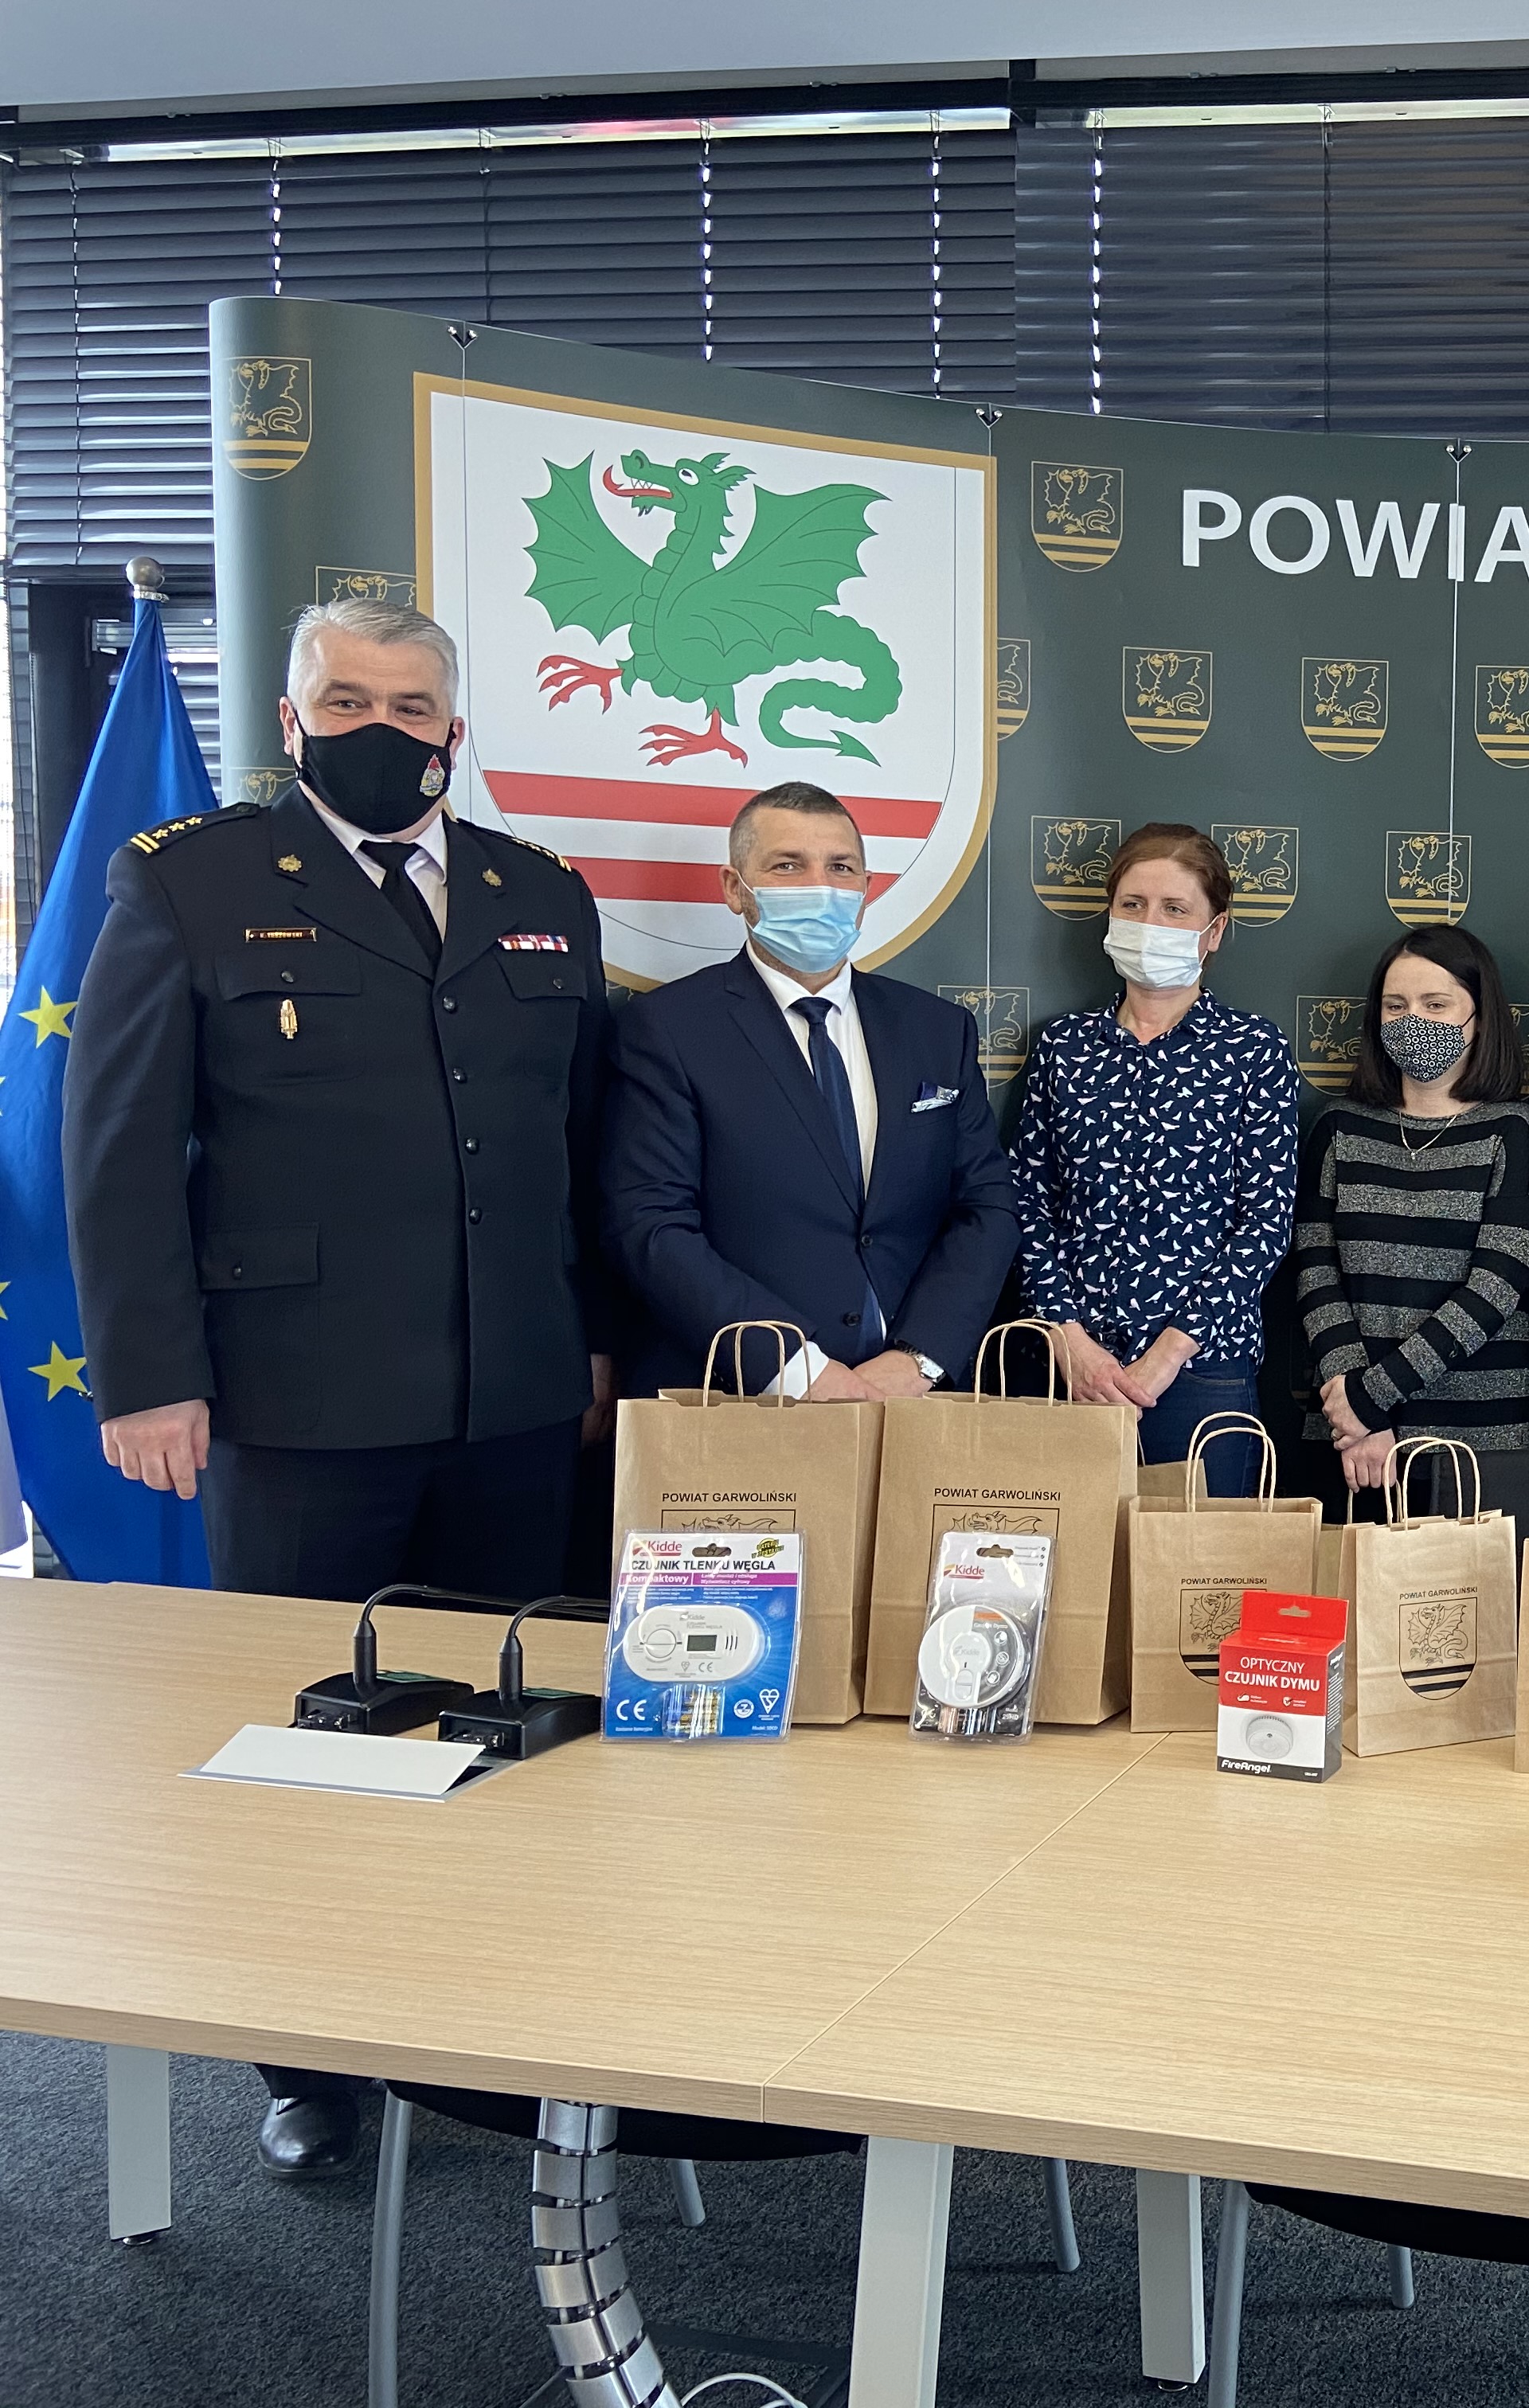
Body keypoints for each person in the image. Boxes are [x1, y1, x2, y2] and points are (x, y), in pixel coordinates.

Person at [65, 596, 614, 2179]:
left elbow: (573, 1142)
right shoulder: (193, 880)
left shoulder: (538, 893)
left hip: (512, 1395)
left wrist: (585, 1337)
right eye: (349, 699)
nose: (383, 727)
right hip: (297, 1401)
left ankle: (476, 2021)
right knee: (314, 1737)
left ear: (456, 728)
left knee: (509, 1725)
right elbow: (117, 1147)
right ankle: (310, 2063)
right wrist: (148, 1377)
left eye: (412, 703)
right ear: (292, 720)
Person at [603, 782, 1018, 1399]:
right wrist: (796, 1368)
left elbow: (986, 1208)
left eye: (841, 867)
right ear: (735, 888)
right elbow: (651, 1224)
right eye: (788, 865)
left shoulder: (937, 1029)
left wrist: (920, 1359)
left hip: (913, 1401)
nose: (821, 887)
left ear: (866, 889)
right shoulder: (668, 1028)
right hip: (739, 1397)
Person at [1011, 823, 1300, 1493]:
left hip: (1202, 1369)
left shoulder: (1253, 1050)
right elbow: (1026, 1201)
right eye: (1134, 905)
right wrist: (1070, 1340)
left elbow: (1264, 1222)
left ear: (1214, 930)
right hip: (1070, 1367)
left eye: (1175, 909)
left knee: (1203, 1558)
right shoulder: (1064, 1048)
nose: (1151, 923)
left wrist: (1167, 1356)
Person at [1292, 926, 1529, 1489]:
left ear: (1479, 1016)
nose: (1413, 1020)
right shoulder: (1338, 1127)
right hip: (1347, 1437)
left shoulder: (1517, 1132)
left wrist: (1372, 1398)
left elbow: (1495, 1289)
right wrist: (1356, 1409)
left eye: (1436, 1005)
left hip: (1479, 1439)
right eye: (1396, 1006)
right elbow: (1315, 1270)